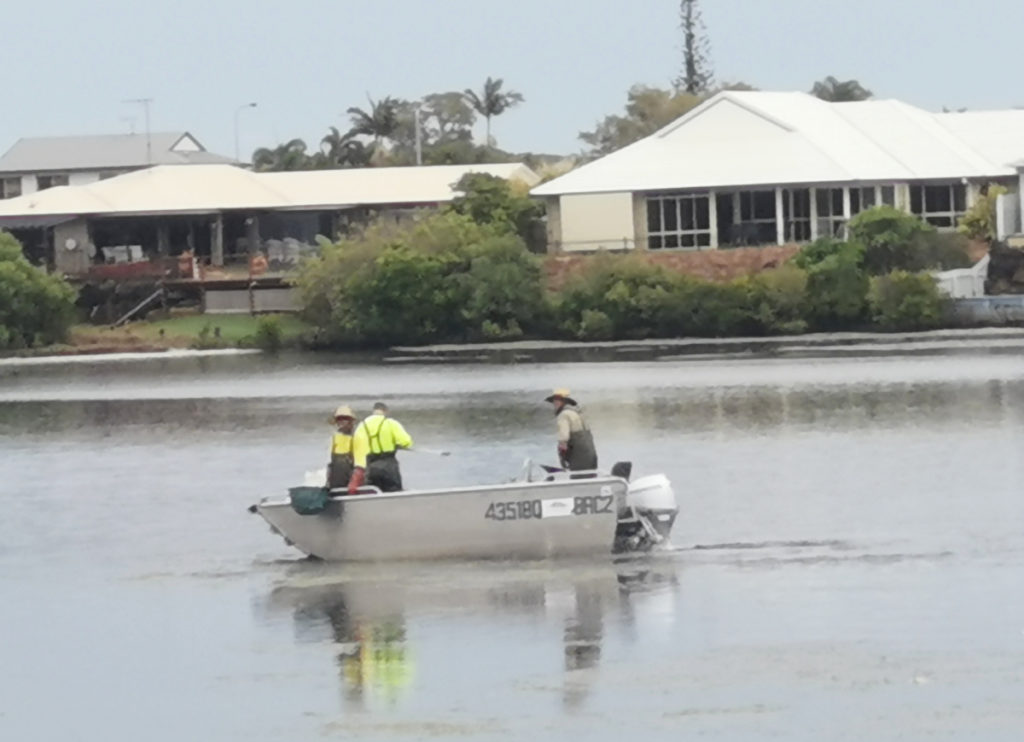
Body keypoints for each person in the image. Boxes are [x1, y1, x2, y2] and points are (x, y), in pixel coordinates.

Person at [348, 402, 413, 494]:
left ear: (373, 411)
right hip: (389, 465)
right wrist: (395, 443)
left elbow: (358, 448)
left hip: (371, 466)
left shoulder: (362, 426)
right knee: (394, 494)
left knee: (374, 494)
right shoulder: (391, 423)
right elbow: (407, 442)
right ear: (385, 411)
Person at [545, 388, 598, 472]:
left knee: (577, 478)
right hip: (592, 457)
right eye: (554, 401)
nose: (554, 404)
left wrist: (563, 459)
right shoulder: (579, 413)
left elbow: (563, 440)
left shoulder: (563, 415)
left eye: (556, 401)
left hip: (578, 458)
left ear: (562, 402)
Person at [327, 405, 365, 491]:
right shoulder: (334, 438)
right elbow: (330, 464)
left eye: (345, 418)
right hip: (335, 482)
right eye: (339, 419)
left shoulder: (357, 437)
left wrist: (354, 482)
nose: (341, 421)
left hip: (351, 484)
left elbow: (360, 465)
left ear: (350, 421)